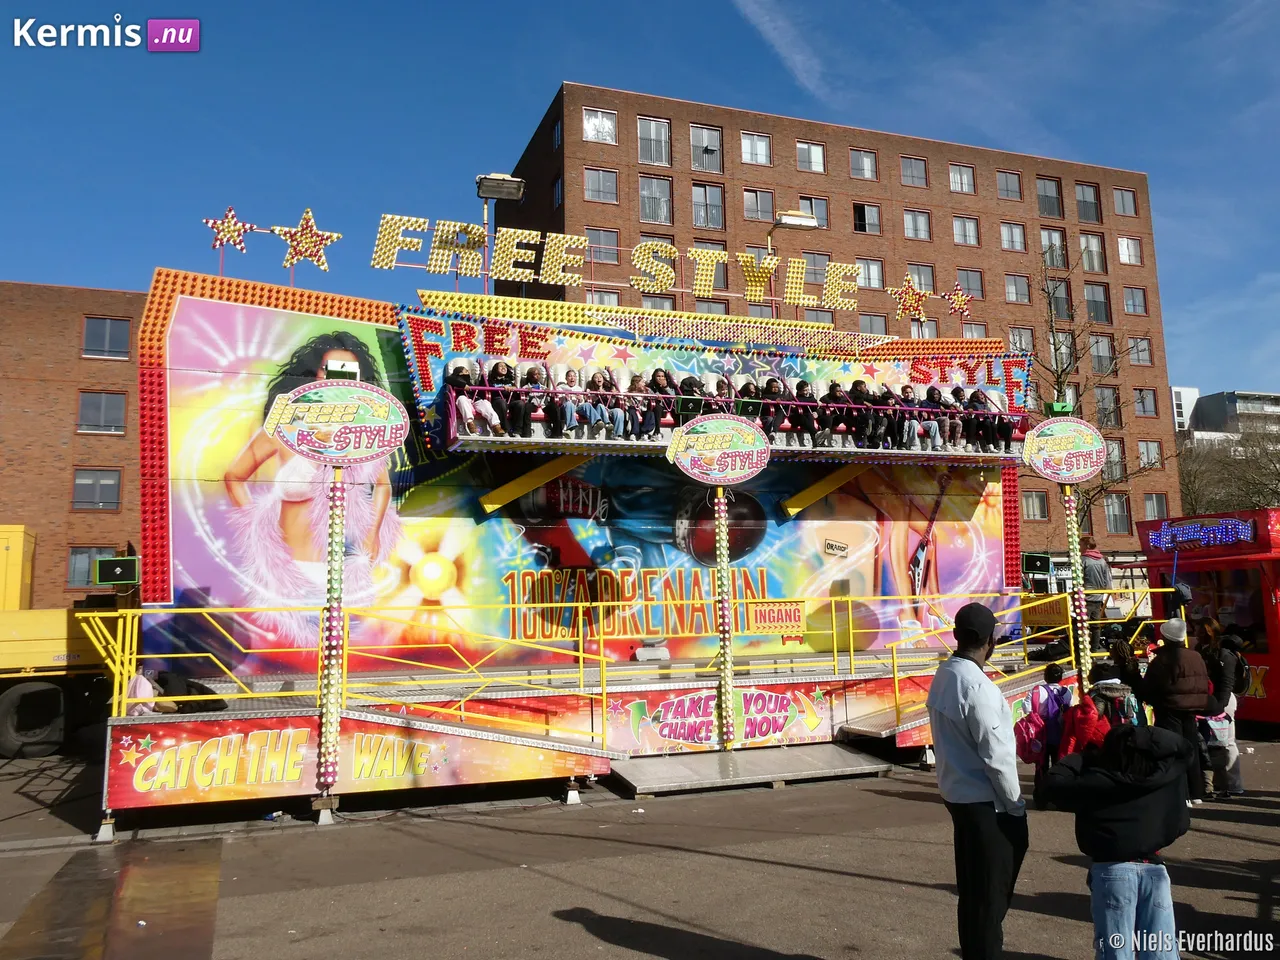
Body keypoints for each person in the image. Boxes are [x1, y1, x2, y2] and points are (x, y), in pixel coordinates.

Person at [224, 331, 402, 646]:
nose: (340, 377)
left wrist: (373, 532)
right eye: (330, 368)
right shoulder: (286, 425)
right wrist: (257, 527)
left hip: (346, 576)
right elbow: (234, 476)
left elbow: (383, 486)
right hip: (291, 577)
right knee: (305, 658)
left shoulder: (365, 436)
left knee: (341, 663)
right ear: (313, 374)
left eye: (350, 371)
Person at [925, 602, 1028, 960]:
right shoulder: (978, 686)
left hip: (958, 795)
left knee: (972, 892)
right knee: (990, 895)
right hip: (988, 803)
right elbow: (997, 756)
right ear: (990, 642)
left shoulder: (943, 676)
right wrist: (1015, 808)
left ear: (956, 636)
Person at [1045, 724, 1192, 960]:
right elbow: (1183, 747)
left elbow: (1053, 782)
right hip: (1154, 871)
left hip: (1111, 871)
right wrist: (1142, 736)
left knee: (1115, 950)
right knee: (1160, 950)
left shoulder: (1095, 782)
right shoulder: (1165, 778)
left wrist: (1083, 757)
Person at [1142, 618, 1217, 803]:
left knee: (1172, 751)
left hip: (1169, 708)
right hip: (1192, 709)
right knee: (1191, 748)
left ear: (1166, 638)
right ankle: (1196, 791)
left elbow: (1151, 687)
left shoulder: (1163, 660)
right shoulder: (1195, 656)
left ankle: (1181, 793)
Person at [1196, 620, 1245, 798]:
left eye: (1203, 632)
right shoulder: (1202, 650)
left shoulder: (1224, 654)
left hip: (1222, 701)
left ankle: (1233, 785)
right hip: (1210, 701)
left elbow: (1227, 683)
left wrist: (1219, 707)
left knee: (1227, 744)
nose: (1199, 635)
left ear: (1211, 632)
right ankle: (1220, 783)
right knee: (1213, 744)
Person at [1061, 662, 1143, 756]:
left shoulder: (1098, 694)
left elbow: (1094, 714)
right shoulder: (1126, 691)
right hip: (1129, 732)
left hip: (1108, 736)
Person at [1028, 663, 1074, 804]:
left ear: (1045, 676)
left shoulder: (1037, 691)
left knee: (1041, 766)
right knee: (1058, 765)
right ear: (1060, 677)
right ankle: (1058, 797)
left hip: (1041, 734)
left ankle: (1041, 798)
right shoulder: (1066, 692)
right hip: (1061, 733)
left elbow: (1027, 708)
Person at [445, 363, 504, 436]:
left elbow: (481, 390)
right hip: (464, 398)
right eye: (466, 371)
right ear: (460, 373)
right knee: (462, 399)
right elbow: (447, 379)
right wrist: (463, 385)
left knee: (485, 403)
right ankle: (470, 423)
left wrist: (483, 377)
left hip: (475, 399)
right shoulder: (455, 379)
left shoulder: (471, 383)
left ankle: (496, 425)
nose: (468, 372)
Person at [1081, 536, 1113, 648]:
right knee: (1095, 626)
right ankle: (1094, 649)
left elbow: (1080, 579)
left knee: (1081, 626)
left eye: (1081, 545)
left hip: (1086, 596)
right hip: (1098, 596)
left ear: (1087, 546)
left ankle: (1081, 650)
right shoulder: (1102, 560)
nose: (1080, 548)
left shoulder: (1083, 560)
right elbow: (1107, 579)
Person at [520, 366, 558, 439]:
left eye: (539, 374)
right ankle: (527, 433)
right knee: (527, 407)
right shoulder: (525, 387)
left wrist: (549, 392)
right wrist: (527, 392)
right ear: (530, 376)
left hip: (543, 405)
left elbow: (550, 397)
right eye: (535, 374)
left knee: (554, 407)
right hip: (533, 405)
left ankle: (557, 433)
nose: (537, 376)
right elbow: (523, 397)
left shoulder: (544, 387)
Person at [899, 385, 940, 451]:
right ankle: (914, 445)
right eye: (906, 392)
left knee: (934, 423)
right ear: (902, 393)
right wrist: (911, 412)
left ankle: (936, 446)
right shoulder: (900, 402)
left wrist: (922, 413)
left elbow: (922, 412)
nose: (908, 394)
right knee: (913, 422)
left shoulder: (915, 403)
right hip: (909, 421)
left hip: (920, 421)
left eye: (910, 392)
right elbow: (901, 413)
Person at [487, 360, 522, 436]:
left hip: (510, 401)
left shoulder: (510, 381)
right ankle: (505, 430)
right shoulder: (490, 381)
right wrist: (501, 387)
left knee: (520, 404)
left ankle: (517, 431)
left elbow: (516, 393)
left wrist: (514, 388)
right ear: (496, 369)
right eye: (501, 366)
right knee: (501, 403)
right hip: (497, 401)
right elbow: (488, 390)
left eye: (505, 366)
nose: (503, 368)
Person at [586, 371, 625, 439]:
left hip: (608, 409)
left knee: (619, 411)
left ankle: (617, 435)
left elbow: (612, 404)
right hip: (597, 410)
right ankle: (607, 424)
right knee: (600, 406)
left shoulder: (608, 389)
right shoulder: (590, 390)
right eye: (596, 377)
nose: (598, 378)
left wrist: (612, 396)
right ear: (593, 380)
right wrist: (596, 394)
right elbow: (590, 402)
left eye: (600, 377)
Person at [788, 380, 820, 448]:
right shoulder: (795, 398)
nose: (806, 392)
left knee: (809, 416)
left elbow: (813, 405)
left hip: (806, 419)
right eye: (804, 390)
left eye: (807, 390)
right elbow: (803, 401)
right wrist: (814, 401)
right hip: (796, 418)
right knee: (802, 417)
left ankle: (814, 441)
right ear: (799, 391)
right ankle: (816, 433)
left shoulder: (811, 396)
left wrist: (817, 409)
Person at [623, 373, 655, 441]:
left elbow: (654, 395)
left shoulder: (647, 391)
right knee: (632, 412)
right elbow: (627, 404)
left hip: (643, 410)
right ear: (637, 383)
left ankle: (644, 433)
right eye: (642, 382)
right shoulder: (629, 393)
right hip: (633, 409)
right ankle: (633, 433)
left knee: (650, 413)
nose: (644, 384)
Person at [556, 368, 586, 437]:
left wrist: (581, 400)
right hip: (565, 408)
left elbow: (581, 403)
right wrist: (564, 397)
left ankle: (597, 423)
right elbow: (558, 399)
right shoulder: (560, 387)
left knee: (586, 405)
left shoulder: (579, 389)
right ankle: (570, 427)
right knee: (569, 404)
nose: (572, 378)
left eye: (574, 376)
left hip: (576, 408)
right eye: (570, 376)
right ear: (566, 378)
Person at [759, 378, 786, 444]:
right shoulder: (764, 396)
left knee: (781, 413)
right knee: (770, 419)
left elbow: (786, 405)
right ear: (769, 387)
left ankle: (773, 432)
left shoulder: (781, 396)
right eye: (773, 387)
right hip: (767, 414)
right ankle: (767, 437)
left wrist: (781, 401)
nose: (775, 389)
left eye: (777, 387)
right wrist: (767, 402)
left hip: (778, 415)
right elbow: (762, 408)